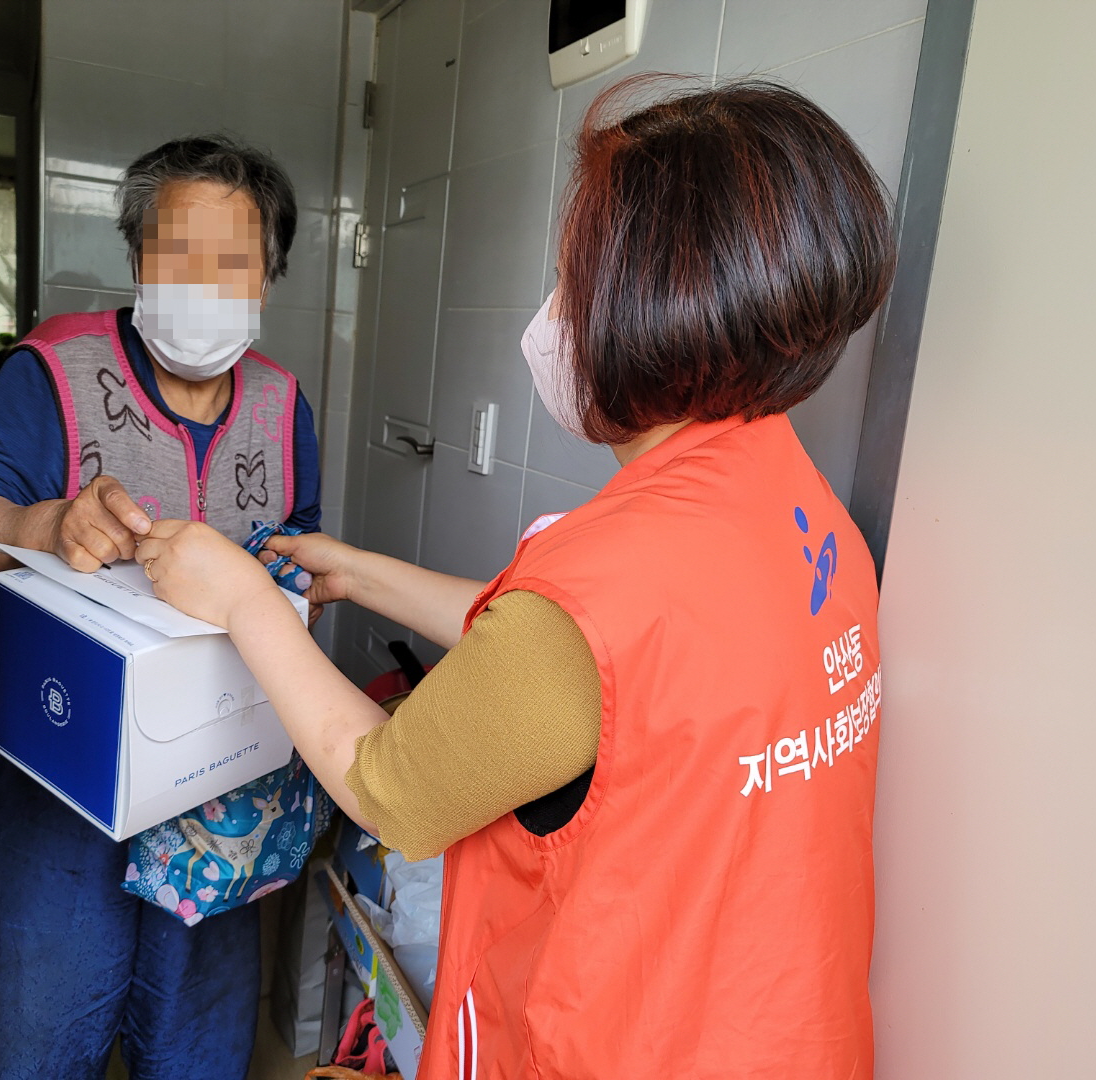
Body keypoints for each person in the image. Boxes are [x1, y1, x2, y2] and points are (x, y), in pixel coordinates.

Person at [138, 78, 894, 1078]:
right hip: (786, 1033)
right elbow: (606, 684)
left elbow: (391, 788)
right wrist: (361, 574)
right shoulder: (795, 506)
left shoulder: (610, 580)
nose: (551, 316)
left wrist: (238, 596)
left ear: (649, 299)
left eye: (569, 277)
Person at [0, 135, 320, 1080]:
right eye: (176, 253)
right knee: (40, 1028)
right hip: (57, 771)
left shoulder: (284, 403)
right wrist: (42, 518)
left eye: (233, 261)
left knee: (198, 1033)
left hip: (217, 783)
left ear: (270, 272)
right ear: (137, 257)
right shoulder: (55, 369)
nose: (203, 282)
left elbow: (297, 563)